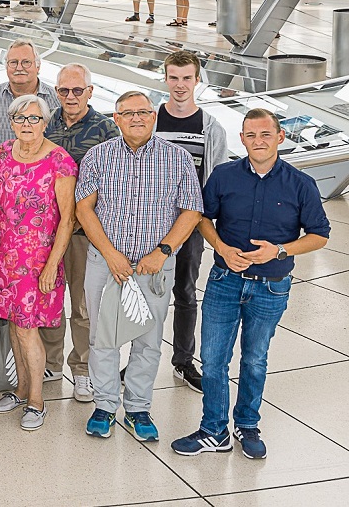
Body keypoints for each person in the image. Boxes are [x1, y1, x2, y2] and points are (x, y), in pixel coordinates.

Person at [171, 109, 330, 460]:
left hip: (271, 286)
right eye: (251, 135)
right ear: (242, 139)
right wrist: (222, 248)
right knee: (213, 360)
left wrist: (281, 250)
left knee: (255, 359)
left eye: (265, 134)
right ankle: (214, 430)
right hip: (225, 281)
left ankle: (247, 424)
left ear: (280, 137)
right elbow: (202, 218)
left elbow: (320, 235)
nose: (258, 141)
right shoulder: (224, 176)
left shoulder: (300, 184)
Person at [76, 91, 202, 441]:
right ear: (115, 119)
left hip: (153, 267)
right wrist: (111, 254)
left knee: (148, 340)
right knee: (104, 337)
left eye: (143, 112)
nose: (136, 118)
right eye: (127, 113)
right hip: (106, 262)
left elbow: (191, 211)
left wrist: (162, 252)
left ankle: (137, 408)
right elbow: (84, 210)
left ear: (154, 116)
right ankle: (104, 405)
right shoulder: (97, 156)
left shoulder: (178, 159)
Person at [0, 95, 77, 432]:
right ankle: (21, 389)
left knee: (27, 328)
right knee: (13, 323)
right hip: (2, 256)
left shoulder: (60, 161)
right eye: (20, 118)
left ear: (45, 122)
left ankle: (37, 401)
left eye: (34, 118)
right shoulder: (3, 154)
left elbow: (68, 219)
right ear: (11, 122)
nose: (27, 124)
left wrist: (53, 264)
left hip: (37, 260)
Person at [41, 64, 119, 399]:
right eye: (63, 90)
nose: (70, 96)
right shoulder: (44, 123)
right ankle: (50, 361)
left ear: (90, 91)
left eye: (77, 90)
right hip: (45, 232)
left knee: (84, 305)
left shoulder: (106, 130)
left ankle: (83, 368)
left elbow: (116, 183)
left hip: (85, 235)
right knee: (48, 300)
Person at [156, 50, 228, 393]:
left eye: (187, 78)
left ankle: (183, 360)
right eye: (174, 77)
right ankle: (141, 357)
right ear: (165, 79)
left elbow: (213, 181)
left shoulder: (209, 127)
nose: (180, 85)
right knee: (145, 291)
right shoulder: (152, 119)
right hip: (149, 223)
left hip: (189, 224)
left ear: (197, 81)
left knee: (184, 292)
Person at [0, 39, 60, 156]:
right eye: (13, 62)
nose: (19, 68)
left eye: (26, 62)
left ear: (38, 66)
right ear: (6, 66)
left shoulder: (56, 99)